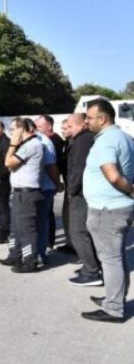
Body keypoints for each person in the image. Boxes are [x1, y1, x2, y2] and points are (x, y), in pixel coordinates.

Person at [81, 99, 134, 323]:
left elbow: (112, 176)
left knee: (110, 259)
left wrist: (131, 191)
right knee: (117, 257)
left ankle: (113, 308)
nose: (86, 122)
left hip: (107, 210)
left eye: (90, 118)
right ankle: (115, 298)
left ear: (102, 119)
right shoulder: (124, 137)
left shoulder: (106, 141)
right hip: (117, 207)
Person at [0, 117, 44, 273]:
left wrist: (12, 144)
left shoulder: (32, 144)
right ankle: (15, 255)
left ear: (21, 129)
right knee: (16, 228)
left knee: (26, 229)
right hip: (19, 192)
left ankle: (30, 261)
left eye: (13, 129)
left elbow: (8, 163)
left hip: (27, 193)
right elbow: (11, 166)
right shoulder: (24, 145)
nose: (11, 133)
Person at [64, 113, 100, 287]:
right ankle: (91, 266)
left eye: (70, 126)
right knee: (82, 232)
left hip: (80, 194)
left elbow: (78, 168)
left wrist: (71, 190)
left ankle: (91, 271)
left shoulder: (82, 141)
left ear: (81, 125)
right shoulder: (81, 139)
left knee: (78, 232)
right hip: (81, 191)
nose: (66, 129)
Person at [36, 114, 66, 250]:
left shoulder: (55, 141)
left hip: (49, 182)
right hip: (45, 182)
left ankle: (49, 241)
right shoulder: (42, 139)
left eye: (39, 126)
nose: (36, 129)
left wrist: (56, 183)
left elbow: (54, 165)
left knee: (47, 213)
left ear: (48, 126)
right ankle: (47, 240)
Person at [35, 128, 62, 264]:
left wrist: (57, 184)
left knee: (42, 222)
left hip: (44, 188)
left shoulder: (43, 142)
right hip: (39, 188)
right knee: (39, 221)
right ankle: (39, 250)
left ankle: (41, 252)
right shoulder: (37, 140)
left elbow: (51, 166)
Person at [58, 118, 77, 254]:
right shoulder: (66, 143)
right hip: (69, 185)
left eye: (65, 128)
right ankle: (70, 243)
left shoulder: (77, 143)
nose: (63, 131)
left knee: (74, 218)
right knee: (67, 216)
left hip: (74, 187)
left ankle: (76, 246)